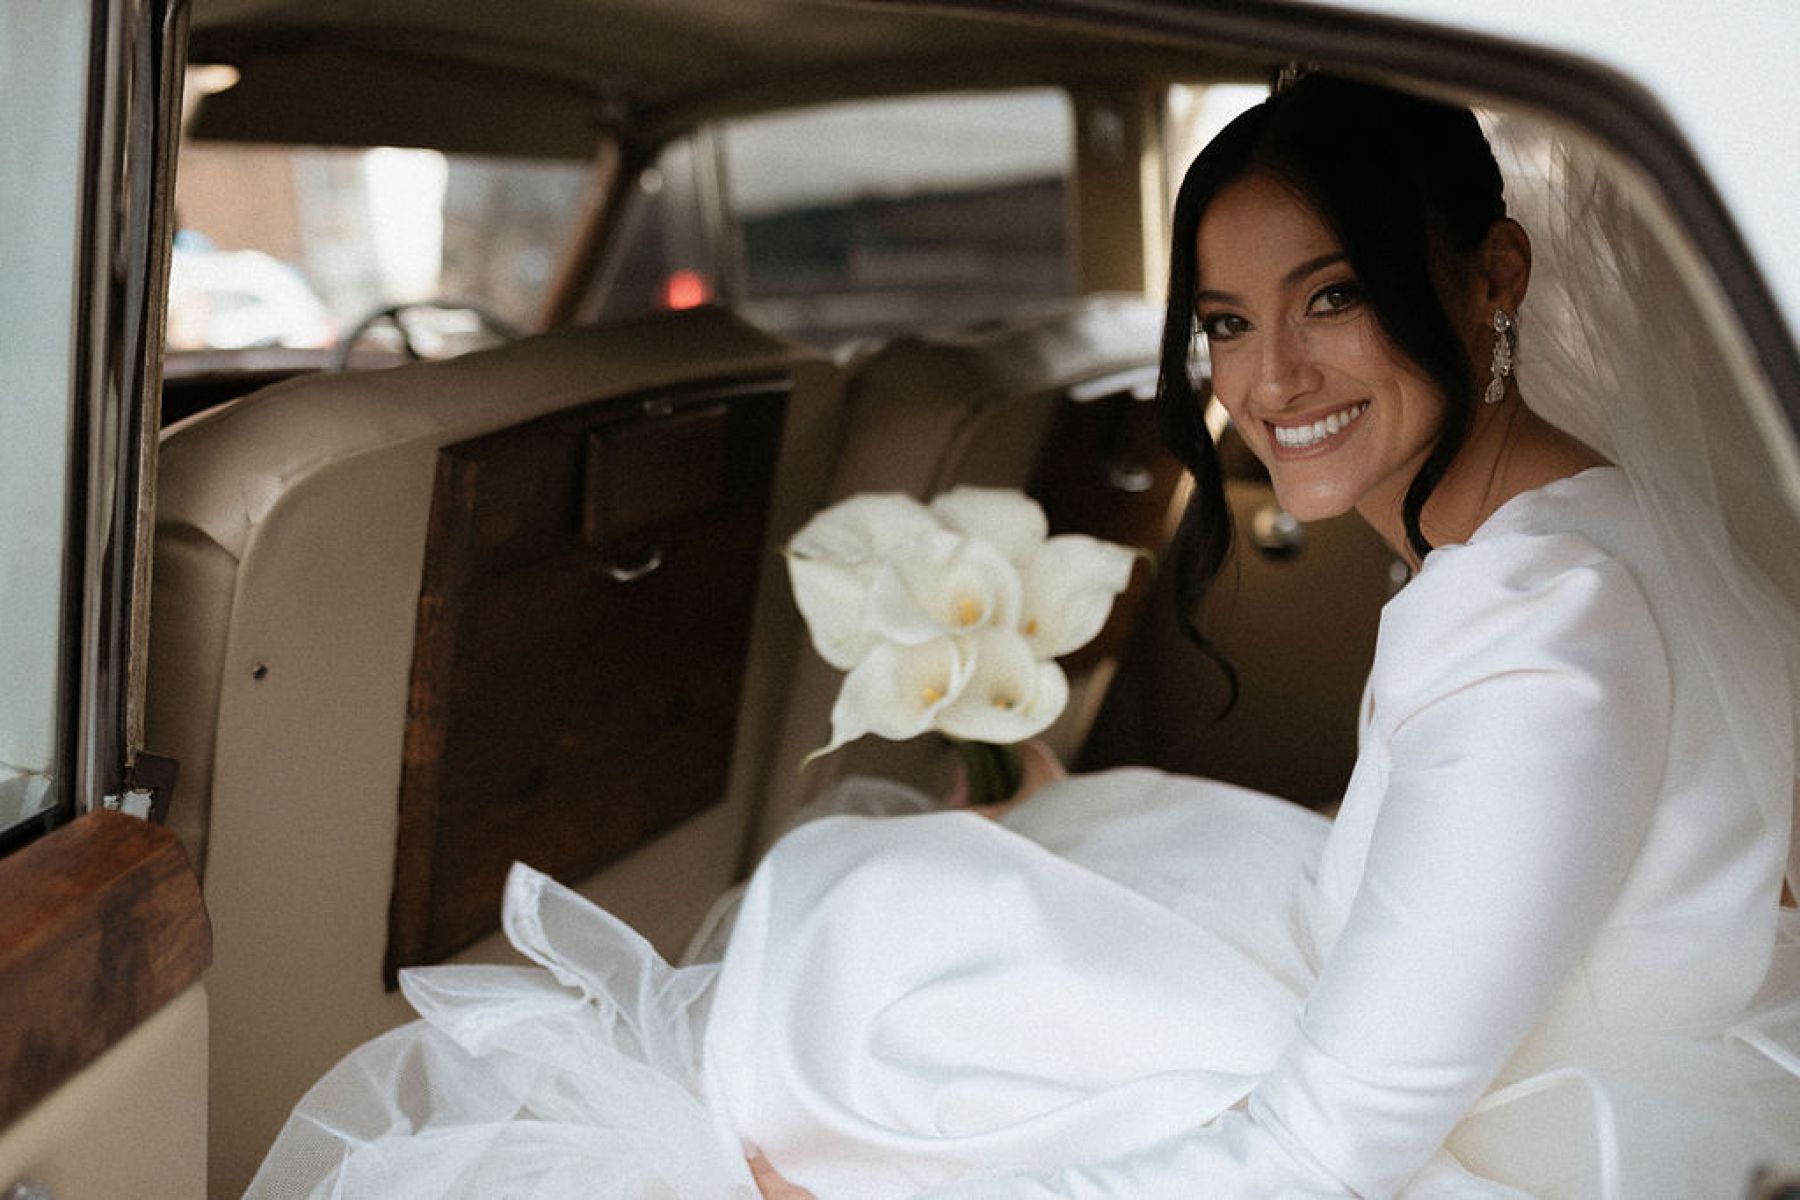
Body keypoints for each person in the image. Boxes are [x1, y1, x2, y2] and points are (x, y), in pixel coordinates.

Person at [249, 76, 1800, 1199]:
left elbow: (1322, 1158)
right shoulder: (1560, 531)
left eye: (1333, 297)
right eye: (1227, 322)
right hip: (1470, 1047)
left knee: (858, 1012)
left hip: (1465, 1142)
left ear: (1493, 276)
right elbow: (1478, 858)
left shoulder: (1540, 632)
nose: (1270, 382)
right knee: (911, 916)